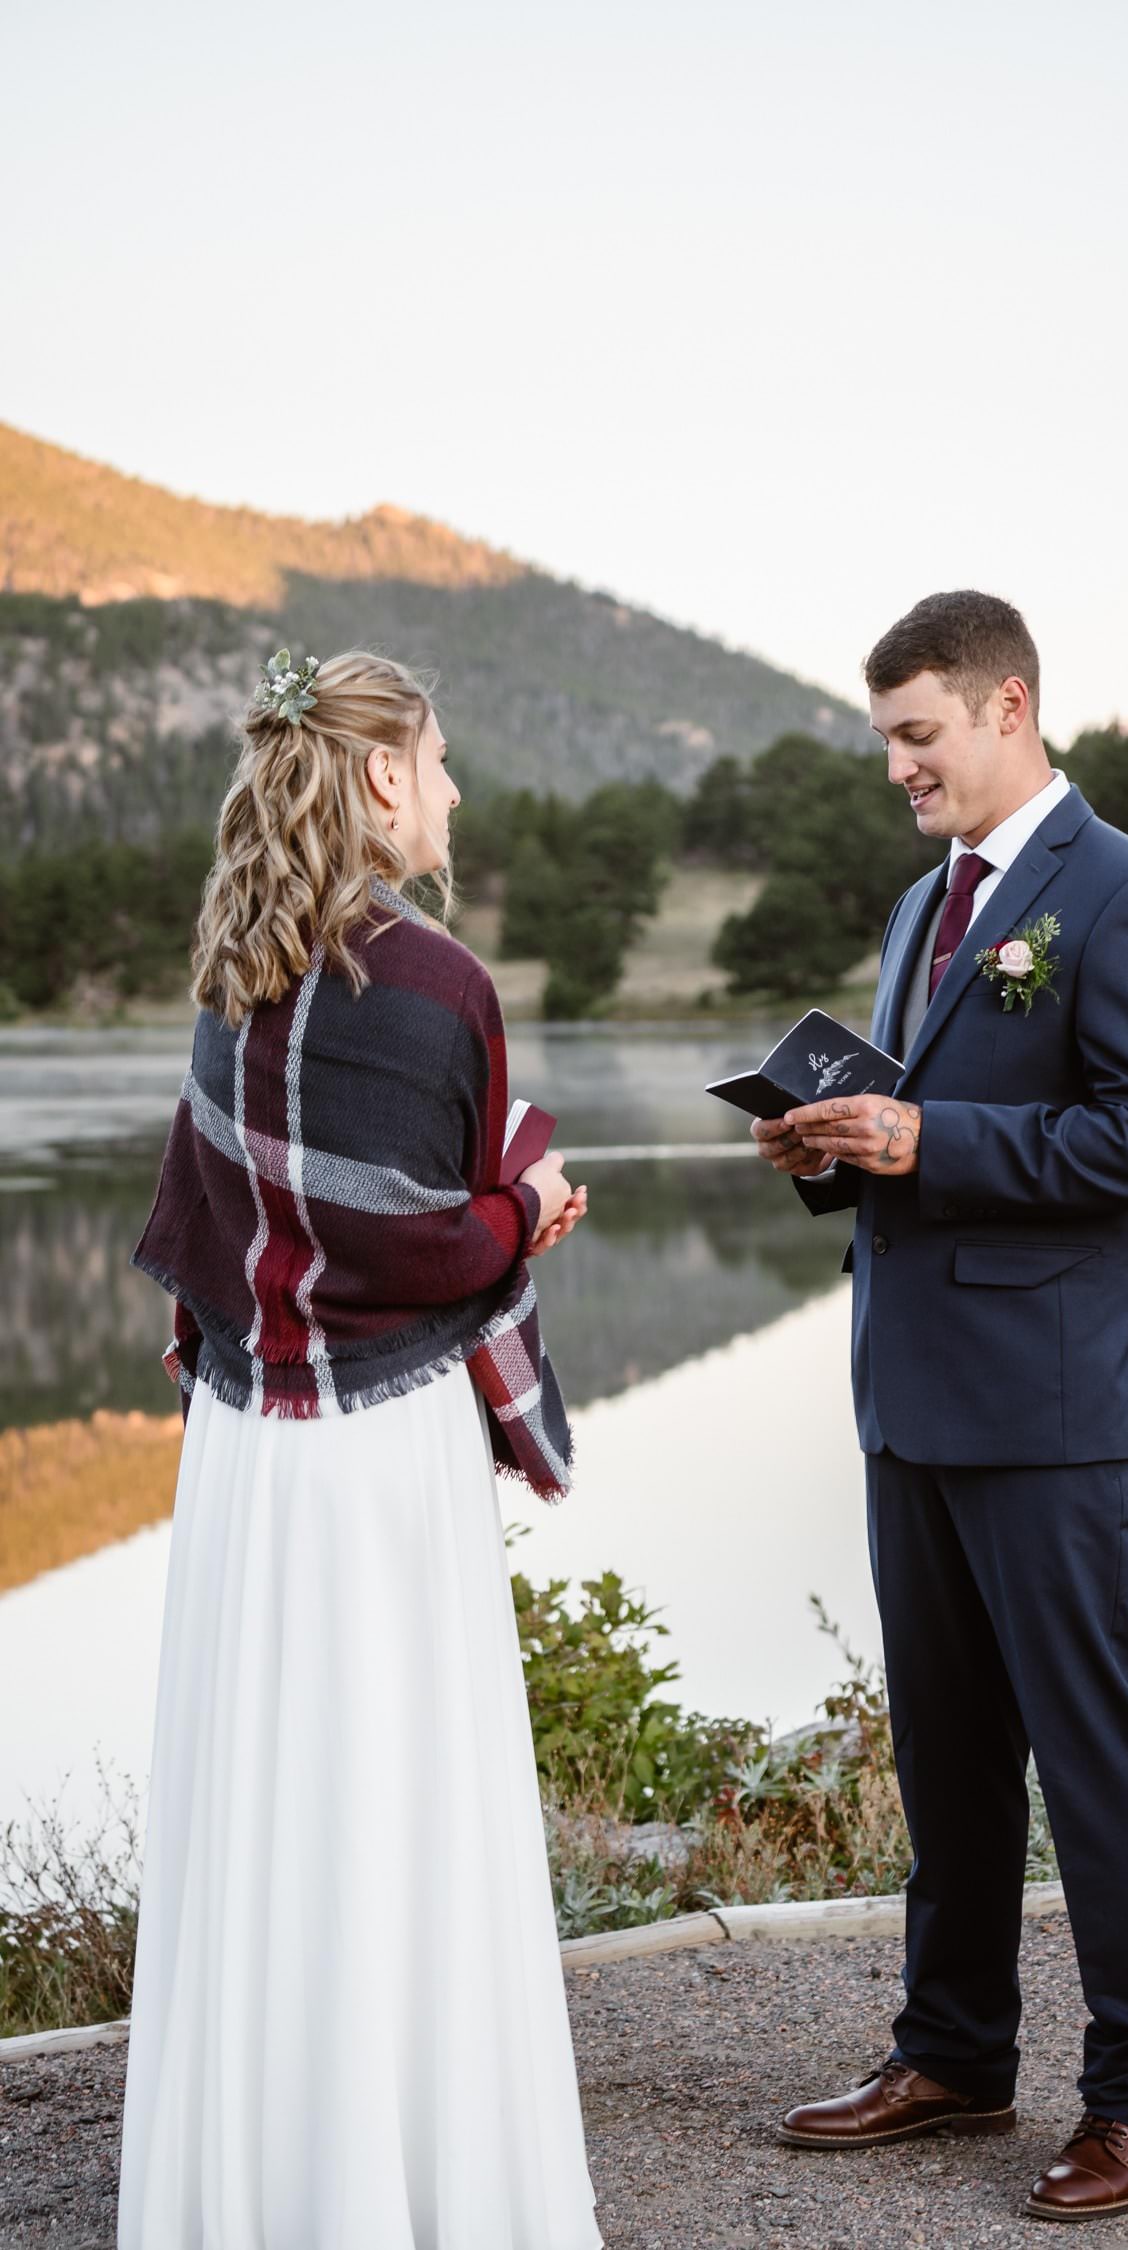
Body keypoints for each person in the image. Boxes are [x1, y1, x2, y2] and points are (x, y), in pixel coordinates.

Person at [117, 649, 601, 2250]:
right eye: (443, 759)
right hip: (382, 1444)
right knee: (400, 1799)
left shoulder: (225, 966)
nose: (454, 791)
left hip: (251, 1451)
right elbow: (435, 1244)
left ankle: (250, 2188)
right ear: (385, 773)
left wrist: (473, 1212)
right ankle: (419, 2187)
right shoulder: (445, 984)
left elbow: (220, 1229)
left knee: (272, 1799)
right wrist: (528, 1207)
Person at [753, 592, 1128, 2225]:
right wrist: (837, 1144)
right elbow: (919, 1133)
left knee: (1098, 1763)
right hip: (918, 1406)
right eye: (886, 737)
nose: (897, 765)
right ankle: (951, 2049)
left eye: (918, 734)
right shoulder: (917, 906)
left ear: (1007, 706)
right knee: (947, 1759)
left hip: (1068, 1413)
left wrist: (925, 1140)